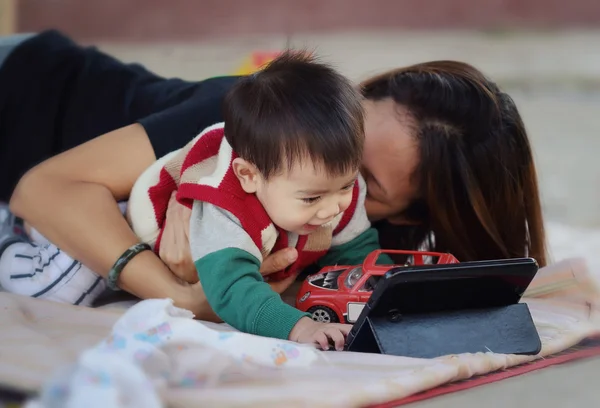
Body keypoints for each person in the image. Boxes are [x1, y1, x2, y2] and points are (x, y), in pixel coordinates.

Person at [0, 30, 547, 321]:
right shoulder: (255, 127)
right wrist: (177, 294)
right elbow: (41, 189)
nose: (325, 160)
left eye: (358, 179)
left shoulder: (350, 233)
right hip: (18, 86)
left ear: (404, 216)